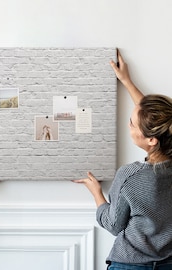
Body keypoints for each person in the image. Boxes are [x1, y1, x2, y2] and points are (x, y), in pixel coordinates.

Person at [73, 49, 172, 270]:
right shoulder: (163, 139)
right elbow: (158, 119)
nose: (128, 126)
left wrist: (96, 193)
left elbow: (113, 224)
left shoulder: (130, 176)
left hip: (131, 265)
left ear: (152, 140)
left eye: (132, 123)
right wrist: (127, 81)